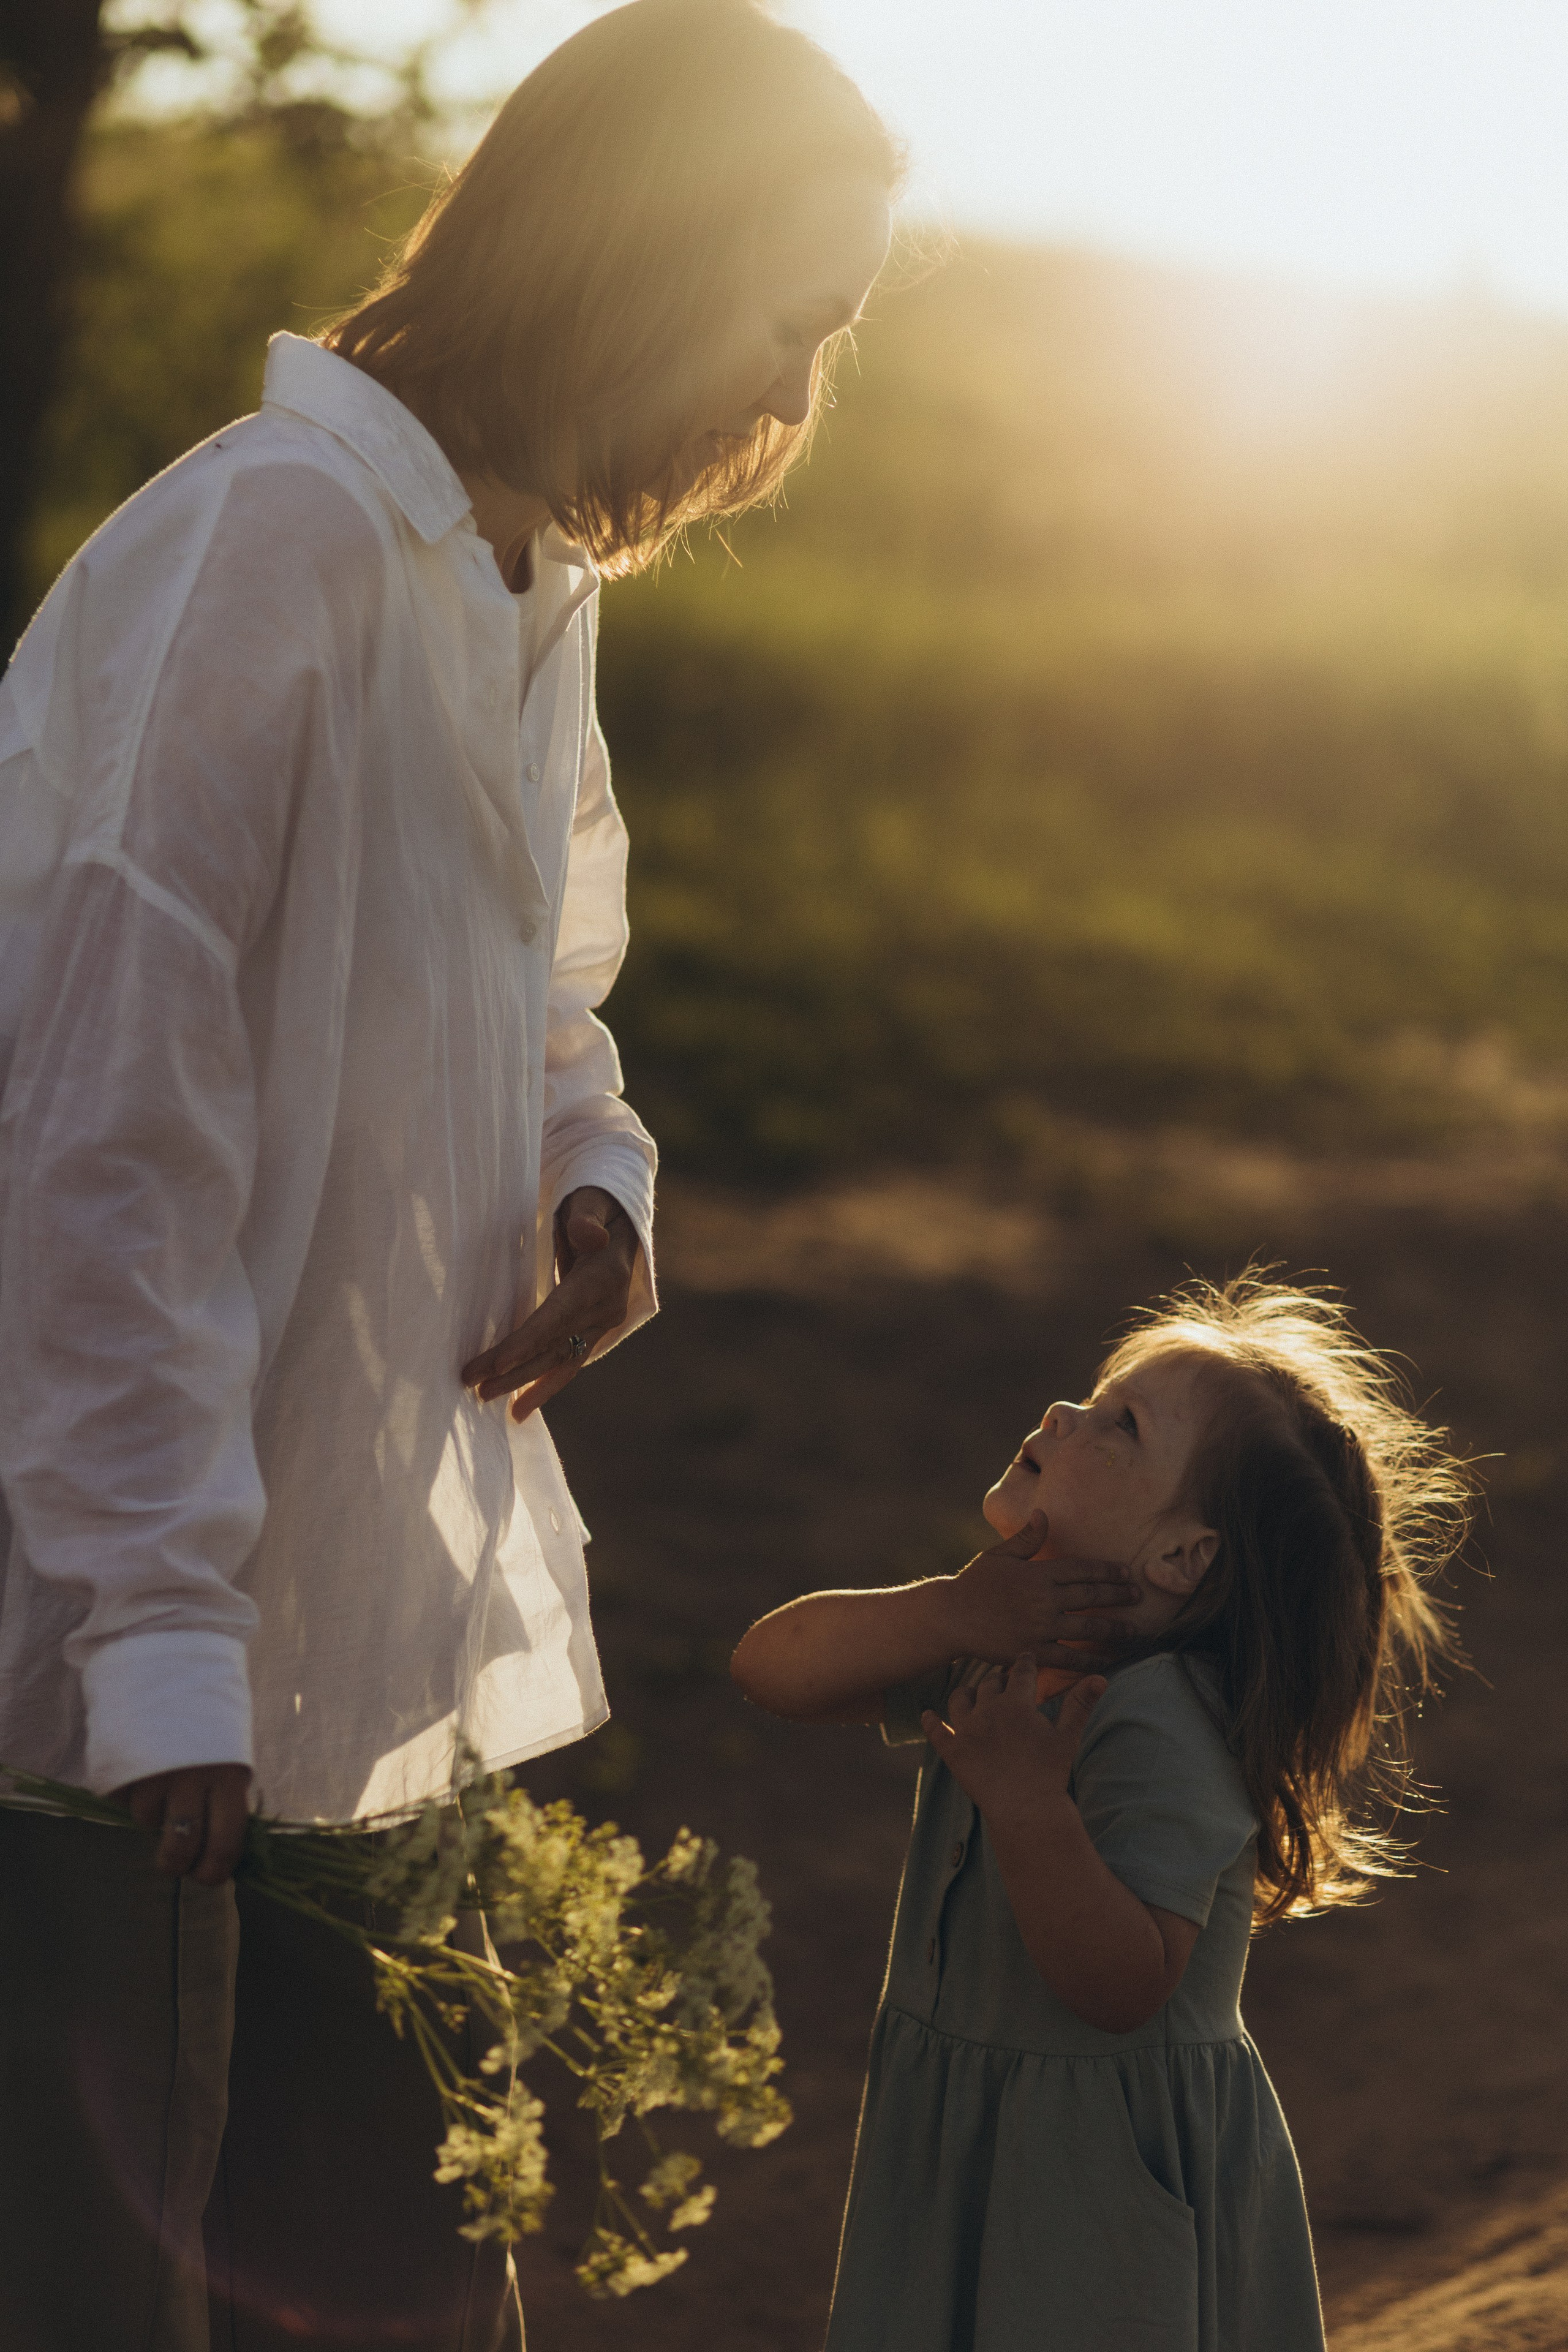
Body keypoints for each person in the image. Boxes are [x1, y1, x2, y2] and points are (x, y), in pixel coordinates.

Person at [0, 4, 900, 2345]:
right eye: (788, 316)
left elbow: (543, 984)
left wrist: (590, 1173)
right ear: (632, 244)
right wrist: (157, 1626)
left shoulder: (521, 582)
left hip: (352, 1601)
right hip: (98, 1652)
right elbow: (100, 1114)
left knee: (392, 2259)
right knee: (90, 2272)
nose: (795, 403)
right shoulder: (266, 547)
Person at [731, 1275, 1468, 2351]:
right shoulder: (992, 1634)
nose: (1062, 1415)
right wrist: (945, 1609)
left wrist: (1031, 1805)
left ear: (1182, 1555)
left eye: (1119, 1424)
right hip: (974, 2137)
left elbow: (1123, 1985)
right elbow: (769, 1671)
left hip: (1100, 2177)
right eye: (1092, 1393)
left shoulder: (1167, 1723)